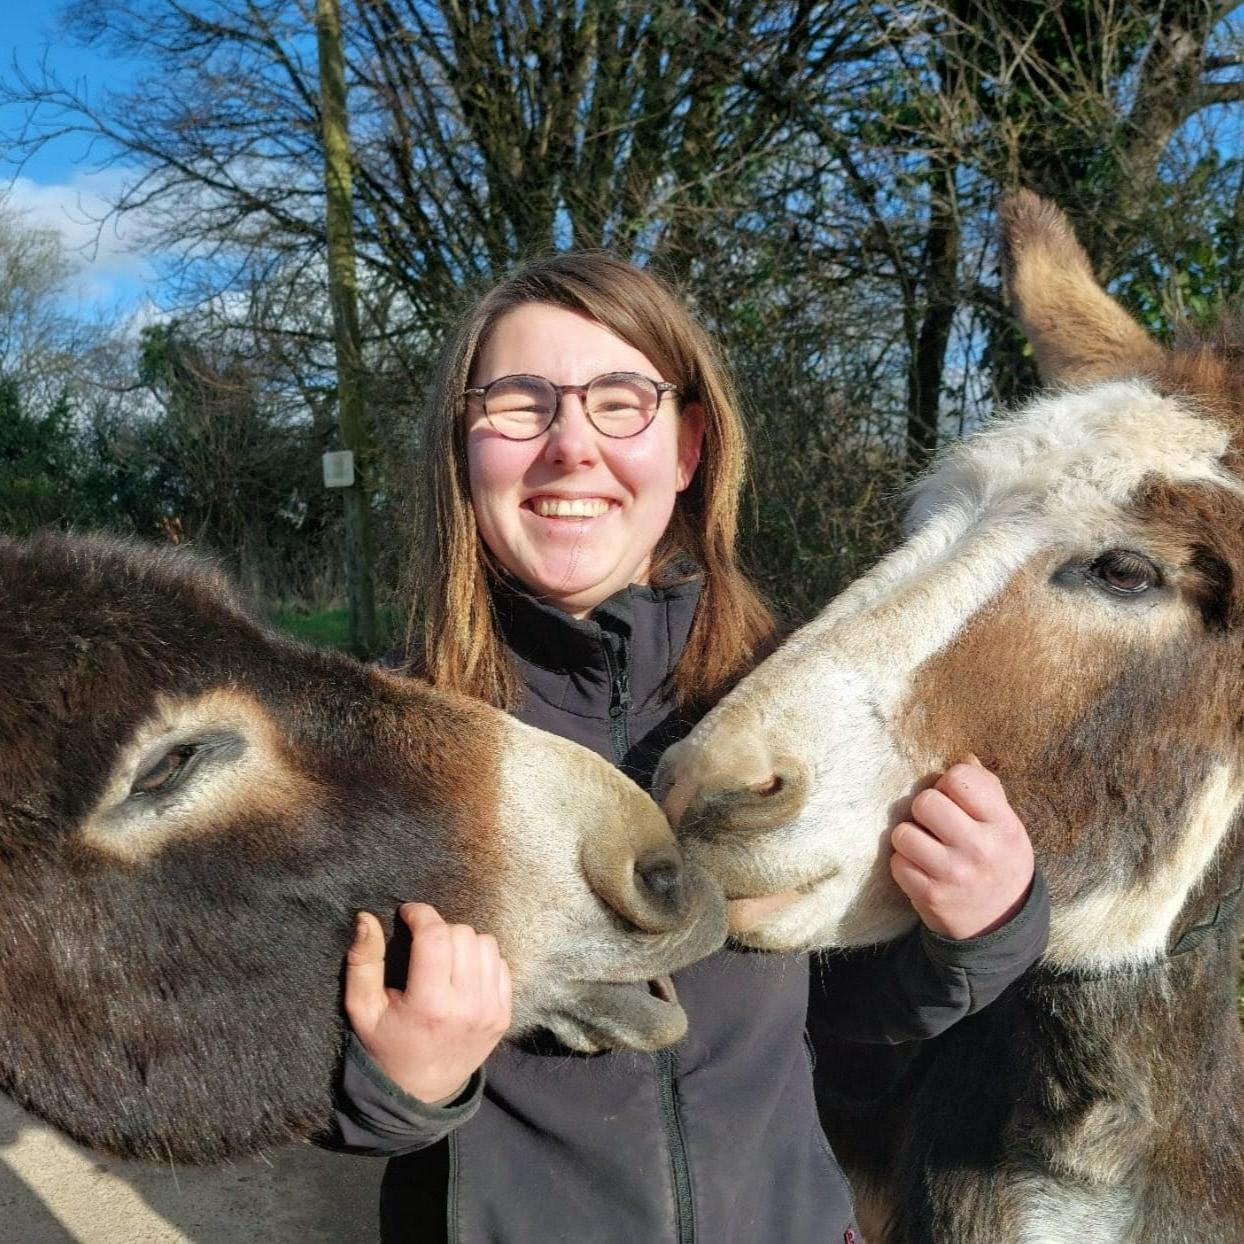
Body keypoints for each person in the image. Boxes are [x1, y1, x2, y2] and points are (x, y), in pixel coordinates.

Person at [327, 254, 1049, 1242]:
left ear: (687, 446)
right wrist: (400, 1085)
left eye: (619, 401)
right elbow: (287, 1053)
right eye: (516, 403)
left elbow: (844, 1020)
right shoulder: (379, 738)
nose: (569, 445)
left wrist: (981, 922)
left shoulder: (781, 700)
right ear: (463, 444)